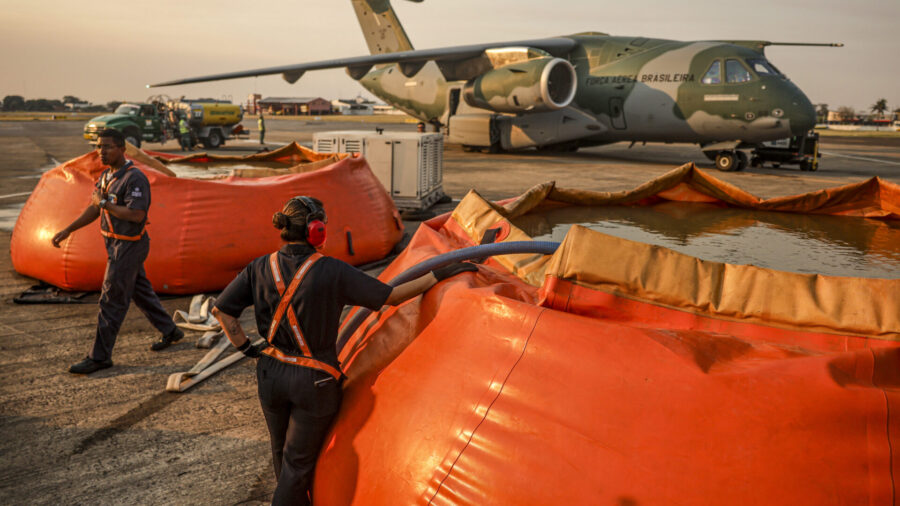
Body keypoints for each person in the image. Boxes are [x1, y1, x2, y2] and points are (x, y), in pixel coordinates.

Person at [211, 196, 476, 505]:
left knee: (281, 454)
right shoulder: (331, 270)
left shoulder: (260, 266)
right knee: (298, 468)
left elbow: (223, 312)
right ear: (317, 232)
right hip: (313, 381)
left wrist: (245, 347)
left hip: (270, 373)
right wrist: (439, 274)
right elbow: (391, 296)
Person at [52, 128, 183, 374]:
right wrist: (68, 229)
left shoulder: (134, 179)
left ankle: (100, 356)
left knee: (111, 300)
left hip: (129, 246)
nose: (101, 151)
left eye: (108, 147)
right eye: (99, 146)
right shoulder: (106, 176)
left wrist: (104, 203)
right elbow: (95, 209)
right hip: (114, 244)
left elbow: (136, 214)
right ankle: (171, 330)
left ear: (122, 149)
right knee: (140, 291)